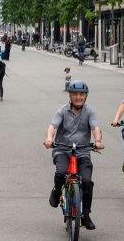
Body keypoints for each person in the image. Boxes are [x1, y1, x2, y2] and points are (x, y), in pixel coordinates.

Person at [44, 80, 104, 229]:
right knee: (62, 172)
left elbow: (95, 127)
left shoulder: (90, 111)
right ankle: (57, 191)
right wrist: (49, 139)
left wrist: (97, 141)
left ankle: (85, 215)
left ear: (86, 96)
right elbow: (53, 126)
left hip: (82, 151)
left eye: (82, 94)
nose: (78, 97)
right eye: (75, 94)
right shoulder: (62, 111)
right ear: (70, 95)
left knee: (87, 181)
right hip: (63, 150)